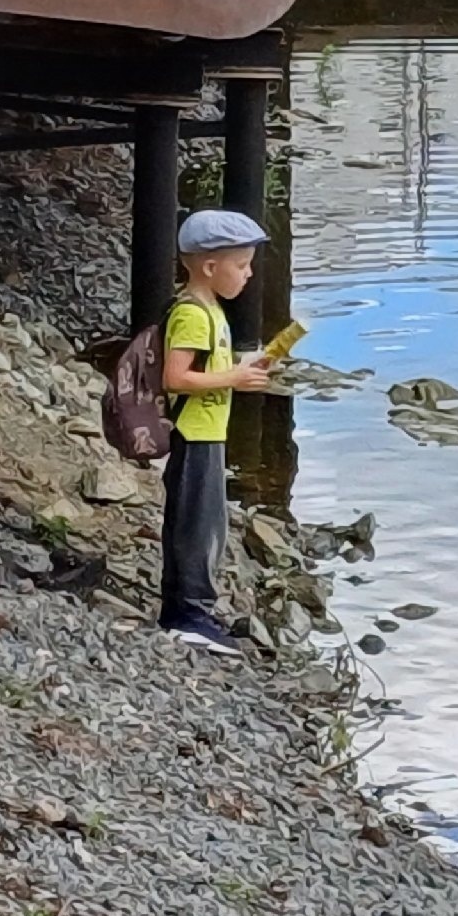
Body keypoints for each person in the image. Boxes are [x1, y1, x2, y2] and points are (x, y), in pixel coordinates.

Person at [159, 210, 274, 654]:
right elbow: (176, 377)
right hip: (194, 433)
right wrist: (233, 380)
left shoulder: (211, 311)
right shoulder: (192, 314)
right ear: (210, 267)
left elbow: (207, 369)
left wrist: (240, 369)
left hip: (209, 432)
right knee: (196, 527)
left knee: (209, 525)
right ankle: (187, 615)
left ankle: (194, 609)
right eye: (241, 265)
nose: (248, 275)